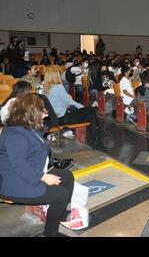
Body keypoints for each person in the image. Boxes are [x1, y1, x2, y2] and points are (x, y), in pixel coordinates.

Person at [0, 94, 74, 237]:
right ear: (32, 113)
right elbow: (19, 164)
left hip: (23, 175)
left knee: (66, 176)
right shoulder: (15, 134)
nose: (46, 112)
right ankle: (50, 233)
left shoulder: (26, 127)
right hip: (12, 183)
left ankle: (62, 216)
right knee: (60, 195)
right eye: (43, 110)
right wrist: (43, 177)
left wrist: (43, 175)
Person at [44, 65, 102, 140]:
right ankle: (97, 135)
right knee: (90, 110)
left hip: (55, 118)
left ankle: (97, 135)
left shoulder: (46, 88)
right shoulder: (58, 87)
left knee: (89, 114)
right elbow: (70, 101)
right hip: (64, 118)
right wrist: (83, 107)